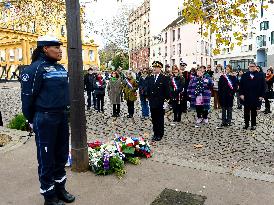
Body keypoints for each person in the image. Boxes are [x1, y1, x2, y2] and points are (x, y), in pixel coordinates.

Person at [20, 35, 75, 205]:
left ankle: (60, 189)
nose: (60, 50)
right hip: (45, 118)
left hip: (61, 117)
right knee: (46, 159)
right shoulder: (34, 69)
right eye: (56, 47)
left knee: (61, 155)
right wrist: (32, 120)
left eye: (60, 47)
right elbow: (27, 98)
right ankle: (49, 196)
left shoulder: (60, 69)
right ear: (45, 49)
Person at [239, 62, 266, 130]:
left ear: (255, 67)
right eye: (250, 66)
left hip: (255, 96)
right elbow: (241, 85)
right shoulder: (245, 75)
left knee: (254, 111)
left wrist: (261, 96)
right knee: (246, 111)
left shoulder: (260, 75)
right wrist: (241, 94)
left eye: (253, 66)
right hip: (246, 96)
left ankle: (253, 124)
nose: (251, 67)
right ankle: (246, 124)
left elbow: (264, 86)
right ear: (248, 67)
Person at [147, 61, 169, 141]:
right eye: (153, 67)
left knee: (160, 119)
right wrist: (148, 97)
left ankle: (160, 134)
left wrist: (166, 101)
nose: (154, 69)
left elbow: (167, 91)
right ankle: (155, 133)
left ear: (160, 68)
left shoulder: (164, 78)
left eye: (156, 67)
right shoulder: (150, 78)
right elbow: (148, 89)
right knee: (154, 118)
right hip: (152, 102)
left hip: (160, 102)